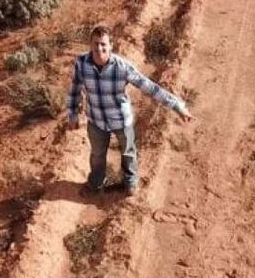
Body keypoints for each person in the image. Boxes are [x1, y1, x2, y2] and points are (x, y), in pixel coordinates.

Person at [65, 25, 192, 195]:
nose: (99, 48)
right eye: (95, 44)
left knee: (128, 152)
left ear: (111, 46)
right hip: (96, 120)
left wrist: (177, 106)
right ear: (90, 45)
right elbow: (74, 89)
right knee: (97, 155)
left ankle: (130, 182)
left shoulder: (122, 67)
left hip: (120, 119)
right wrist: (72, 114)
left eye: (103, 44)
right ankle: (95, 183)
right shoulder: (81, 64)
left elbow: (149, 87)